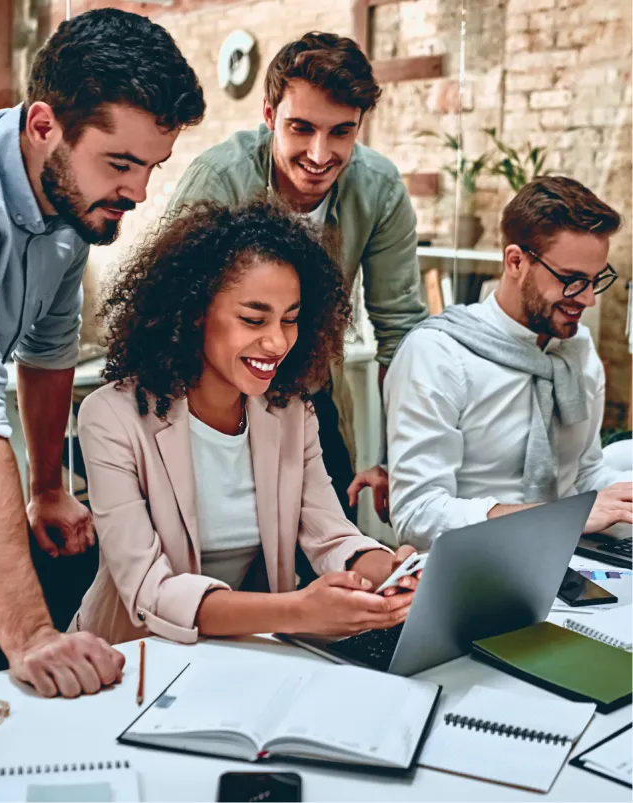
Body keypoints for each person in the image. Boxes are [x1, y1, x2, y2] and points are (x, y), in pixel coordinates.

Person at [0, 9, 205, 696]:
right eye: (121, 163)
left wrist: (48, 486)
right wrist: (31, 637)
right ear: (43, 124)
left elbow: (48, 349)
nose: (138, 194)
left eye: (152, 166)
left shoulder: (70, 207)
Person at [71, 199, 418, 645]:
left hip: (245, 654)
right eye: (253, 319)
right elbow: (150, 592)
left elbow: (331, 536)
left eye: (290, 320)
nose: (277, 342)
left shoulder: (292, 412)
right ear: (195, 311)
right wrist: (298, 611)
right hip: (129, 659)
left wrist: (392, 572)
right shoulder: (112, 417)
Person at [167, 32, 427, 533]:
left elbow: (402, 332)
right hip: (211, 404)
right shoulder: (218, 181)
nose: (319, 153)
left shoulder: (379, 189)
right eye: (301, 128)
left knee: (335, 553)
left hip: (309, 396)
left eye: (341, 133)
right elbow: (172, 317)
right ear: (269, 117)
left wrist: (399, 461)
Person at [384, 176, 633, 549]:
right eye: (571, 280)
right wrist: (561, 517)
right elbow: (417, 516)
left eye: (595, 281)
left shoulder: (577, 348)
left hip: (575, 561)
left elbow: (584, 473)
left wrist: (620, 500)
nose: (587, 300)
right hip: (475, 569)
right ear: (515, 261)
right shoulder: (438, 355)